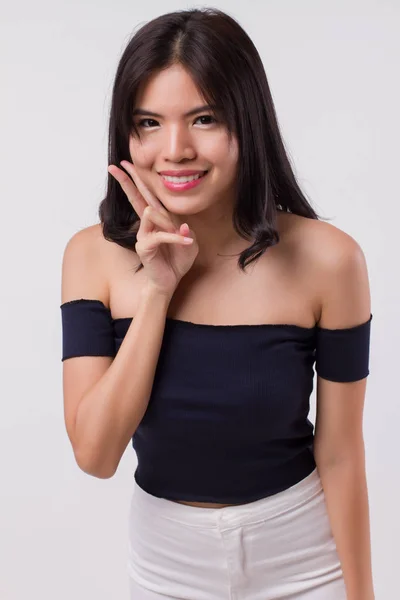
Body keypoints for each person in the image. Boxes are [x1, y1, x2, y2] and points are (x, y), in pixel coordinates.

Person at [60, 7, 375, 600]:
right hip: (165, 570)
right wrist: (157, 289)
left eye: (204, 118)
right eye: (148, 122)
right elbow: (95, 454)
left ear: (247, 122)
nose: (174, 150)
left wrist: (362, 594)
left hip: (305, 565)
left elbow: (339, 453)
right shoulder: (91, 258)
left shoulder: (330, 262)